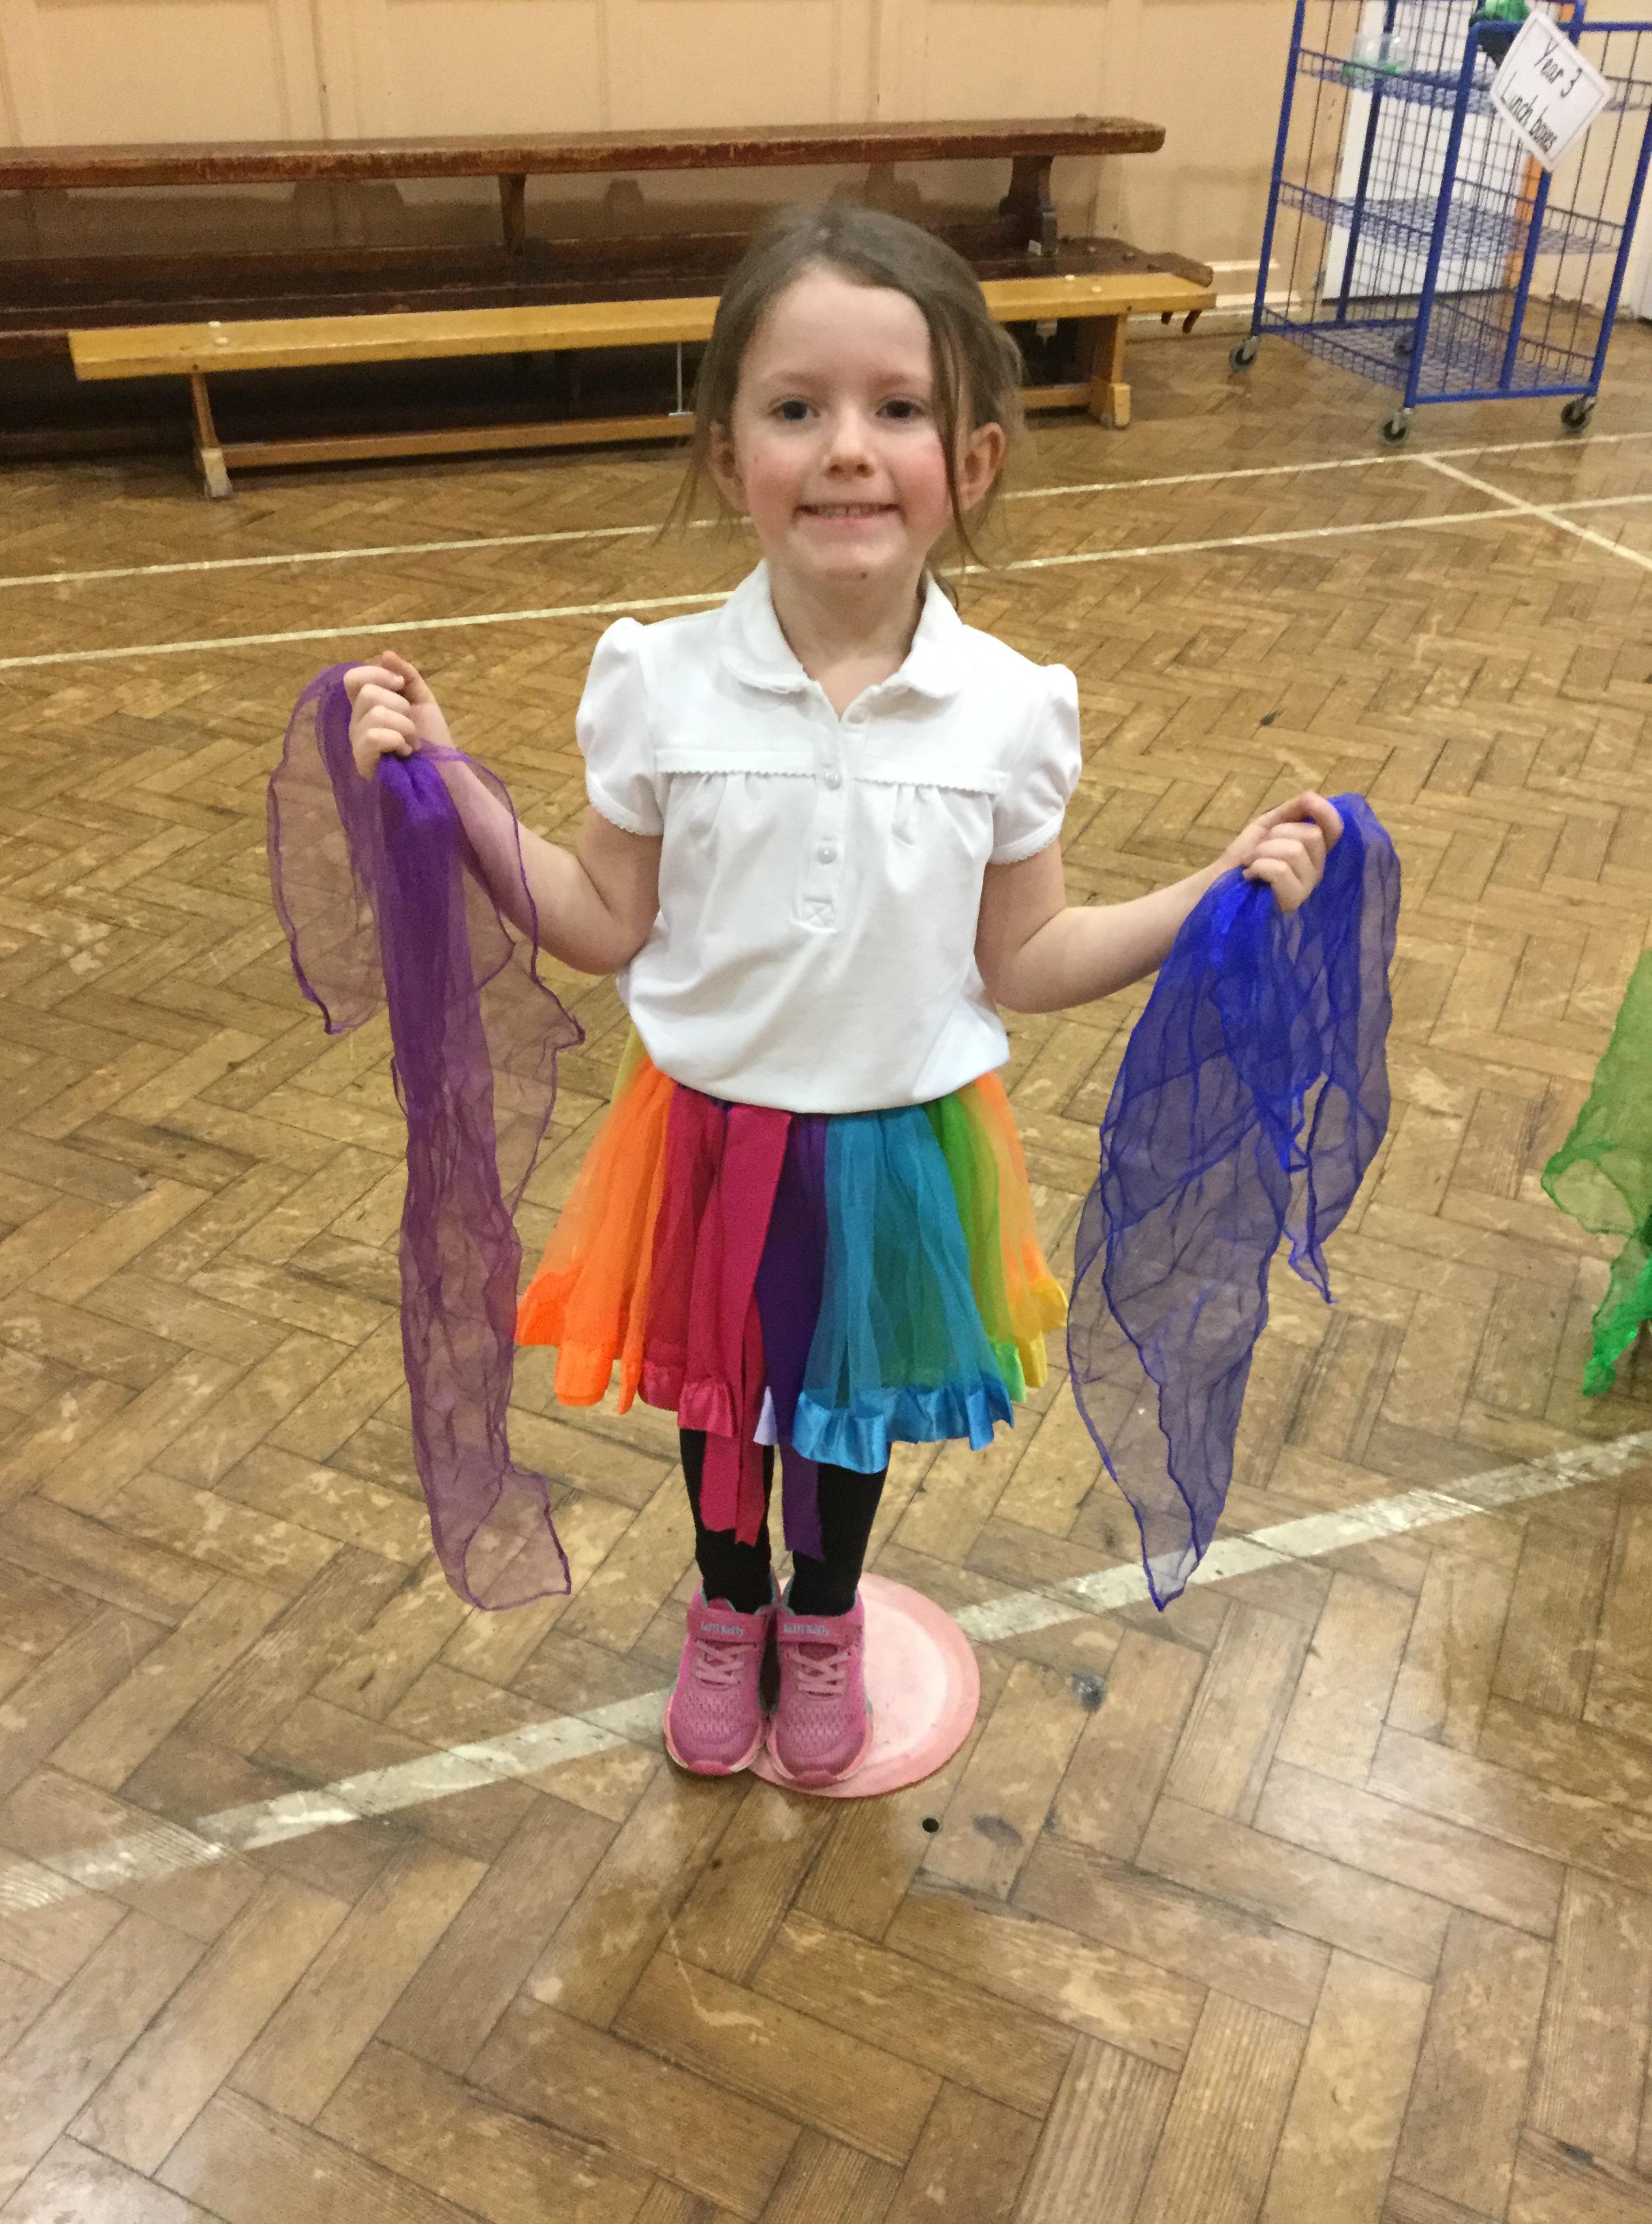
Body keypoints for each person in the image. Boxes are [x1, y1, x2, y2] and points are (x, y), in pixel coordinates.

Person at [341, 205, 1340, 1790]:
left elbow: (1026, 958)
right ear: (728, 453)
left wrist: (1209, 893)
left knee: (845, 1408)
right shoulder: (659, 679)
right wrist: (449, 784)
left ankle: (822, 1620)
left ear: (975, 461)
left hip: (897, 1151)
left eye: (899, 408)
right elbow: (600, 918)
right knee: (720, 1401)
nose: (849, 449)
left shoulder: (1009, 709)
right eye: (797, 408)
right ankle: (725, 1609)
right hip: (707, 1137)